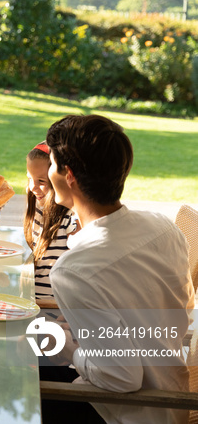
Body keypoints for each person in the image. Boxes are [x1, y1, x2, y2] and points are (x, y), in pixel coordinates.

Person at [44, 114, 194, 424]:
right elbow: (175, 307)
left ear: (68, 175)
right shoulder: (161, 226)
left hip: (124, 413)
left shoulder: (73, 271)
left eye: (52, 163)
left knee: (13, 378)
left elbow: (120, 378)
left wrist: (69, 348)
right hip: (172, 394)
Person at [22, 141, 76, 304]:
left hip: (53, 306)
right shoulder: (38, 206)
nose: (33, 187)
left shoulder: (71, 218)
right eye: (29, 178)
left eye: (41, 181)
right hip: (33, 298)